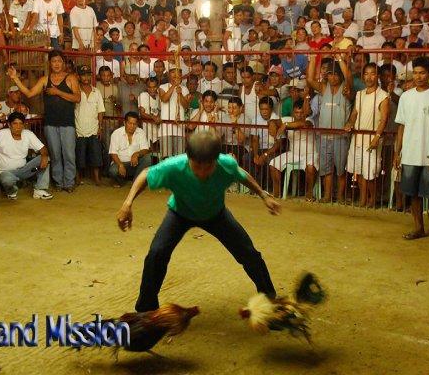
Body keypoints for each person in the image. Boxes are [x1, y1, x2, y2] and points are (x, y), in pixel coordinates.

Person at [117, 130, 279, 312]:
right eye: (196, 166)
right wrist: (127, 203)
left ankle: (269, 298)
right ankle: (146, 310)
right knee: (156, 254)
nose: (202, 172)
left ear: (216, 161)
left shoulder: (226, 164)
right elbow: (145, 174)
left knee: (249, 253)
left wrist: (263, 195)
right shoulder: (174, 166)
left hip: (216, 214)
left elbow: (241, 174)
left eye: (208, 167)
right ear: (189, 158)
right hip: (180, 213)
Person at [394, 56, 429, 249]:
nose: (418, 77)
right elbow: (401, 127)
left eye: (422, 73)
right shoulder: (406, 97)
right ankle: (419, 228)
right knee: (413, 194)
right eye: (416, 73)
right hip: (409, 153)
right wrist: (397, 152)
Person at [7, 50, 80, 192]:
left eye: (59, 61)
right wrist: (15, 78)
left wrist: (57, 92)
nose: (56, 64)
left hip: (67, 123)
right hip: (50, 123)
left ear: (63, 63)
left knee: (69, 155)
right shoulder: (44, 80)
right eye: (54, 61)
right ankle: (58, 183)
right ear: (49, 63)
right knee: (55, 155)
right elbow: (29, 93)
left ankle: (69, 182)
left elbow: (77, 98)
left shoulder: (71, 78)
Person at [306, 52, 353, 203]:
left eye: (336, 74)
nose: (332, 77)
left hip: (340, 137)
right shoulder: (324, 88)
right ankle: (327, 196)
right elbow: (309, 79)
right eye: (330, 74)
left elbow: (349, 77)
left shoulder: (345, 89)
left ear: (340, 76)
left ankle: (340, 197)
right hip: (324, 136)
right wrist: (313, 57)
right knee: (326, 169)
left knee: (340, 170)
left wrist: (339, 58)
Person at [344, 62, 390, 208]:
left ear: (378, 76)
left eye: (372, 74)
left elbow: (384, 119)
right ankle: (363, 199)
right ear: (363, 76)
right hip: (358, 137)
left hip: (372, 138)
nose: (369, 77)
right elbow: (354, 113)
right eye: (366, 74)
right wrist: (349, 123)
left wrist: (377, 137)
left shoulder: (383, 96)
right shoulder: (360, 94)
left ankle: (372, 199)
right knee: (359, 171)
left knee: (370, 173)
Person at [269, 100, 319, 201]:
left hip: (310, 154)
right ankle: (276, 193)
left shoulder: (310, 119)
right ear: (293, 112)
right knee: (273, 164)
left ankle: (309, 194)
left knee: (310, 168)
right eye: (296, 112)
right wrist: (272, 124)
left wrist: (286, 125)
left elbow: (304, 124)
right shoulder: (287, 119)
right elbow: (274, 121)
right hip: (293, 153)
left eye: (301, 112)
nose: (299, 115)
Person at [75, 64, 104, 186]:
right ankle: (78, 178)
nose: (86, 77)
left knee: (96, 155)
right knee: (79, 156)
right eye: (83, 75)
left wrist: (100, 127)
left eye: (88, 75)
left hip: (93, 129)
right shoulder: (75, 92)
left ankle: (96, 178)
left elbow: (100, 111)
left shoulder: (96, 92)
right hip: (79, 129)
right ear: (78, 76)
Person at [108, 111, 152, 187]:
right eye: (130, 123)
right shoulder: (116, 133)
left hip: (135, 164)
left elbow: (145, 149)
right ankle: (121, 181)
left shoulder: (140, 132)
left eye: (134, 124)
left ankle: (136, 182)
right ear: (124, 123)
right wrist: (120, 165)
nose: (132, 126)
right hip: (121, 163)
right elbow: (113, 153)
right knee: (113, 171)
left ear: (137, 124)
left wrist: (136, 154)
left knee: (147, 158)